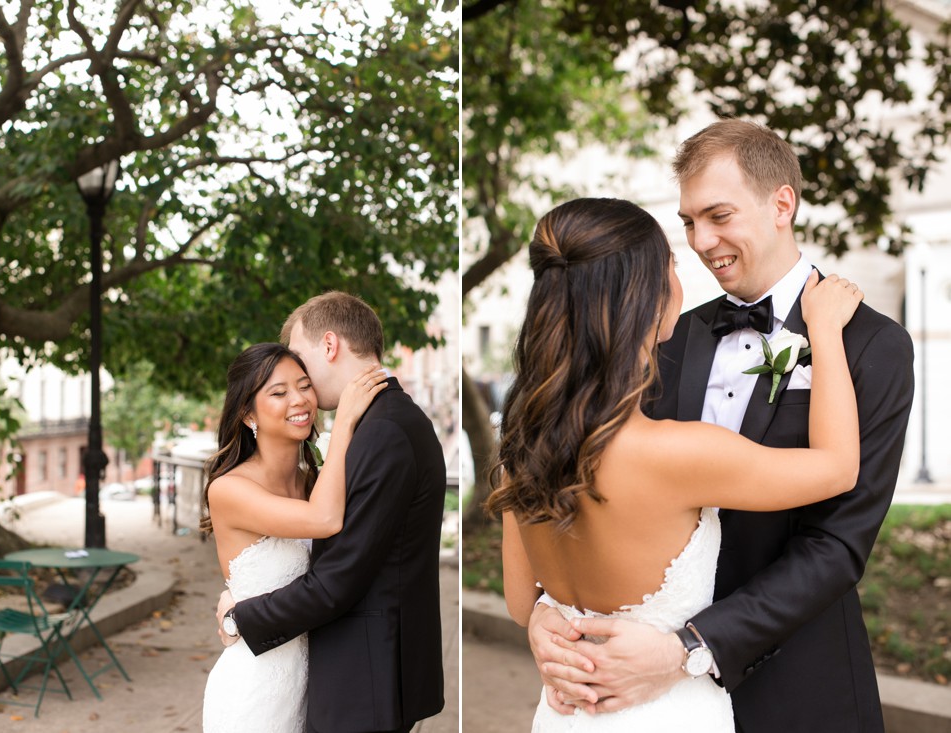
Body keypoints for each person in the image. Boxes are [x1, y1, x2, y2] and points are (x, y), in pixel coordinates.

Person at [527, 121, 915, 732]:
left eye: (718, 215)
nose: (702, 241)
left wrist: (689, 646)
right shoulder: (663, 332)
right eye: (687, 222)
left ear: (781, 203)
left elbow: (838, 544)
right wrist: (545, 612)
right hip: (636, 685)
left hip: (798, 683)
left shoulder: (872, 345)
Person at [216, 292, 447, 733]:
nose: (301, 382)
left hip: (365, 681)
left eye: (300, 366)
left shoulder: (381, 432)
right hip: (331, 679)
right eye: (280, 388)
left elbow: (336, 580)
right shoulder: (383, 422)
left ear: (329, 345)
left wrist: (241, 616)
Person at [201, 342, 388, 733]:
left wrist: (235, 605)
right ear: (247, 413)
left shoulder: (313, 481)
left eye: (305, 385)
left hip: (312, 686)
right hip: (253, 693)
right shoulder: (229, 489)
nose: (300, 400)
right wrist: (345, 422)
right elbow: (324, 520)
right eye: (279, 392)